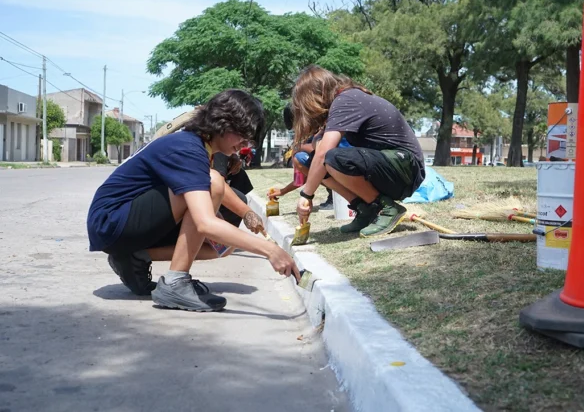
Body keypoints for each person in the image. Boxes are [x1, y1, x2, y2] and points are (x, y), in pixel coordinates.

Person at [86, 89, 299, 312]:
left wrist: (246, 213)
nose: (245, 143)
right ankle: (175, 283)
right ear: (223, 123)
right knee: (213, 183)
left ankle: (135, 257)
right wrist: (270, 250)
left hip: (122, 224)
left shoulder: (199, 146)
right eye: (242, 134)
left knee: (224, 246)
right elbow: (206, 220)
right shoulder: (188, 148)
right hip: (111, 221)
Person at [291, 66, 426, 237]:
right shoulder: (344, 100)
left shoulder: (345, 100)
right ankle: (366, 209)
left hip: (406, 168)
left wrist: (306, 195)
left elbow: (324, 153)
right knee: (312, 162)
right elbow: (318, 147)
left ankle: (387, 208)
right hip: (393, 166)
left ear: (317, 96)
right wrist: (319, 138)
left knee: (332, 158)